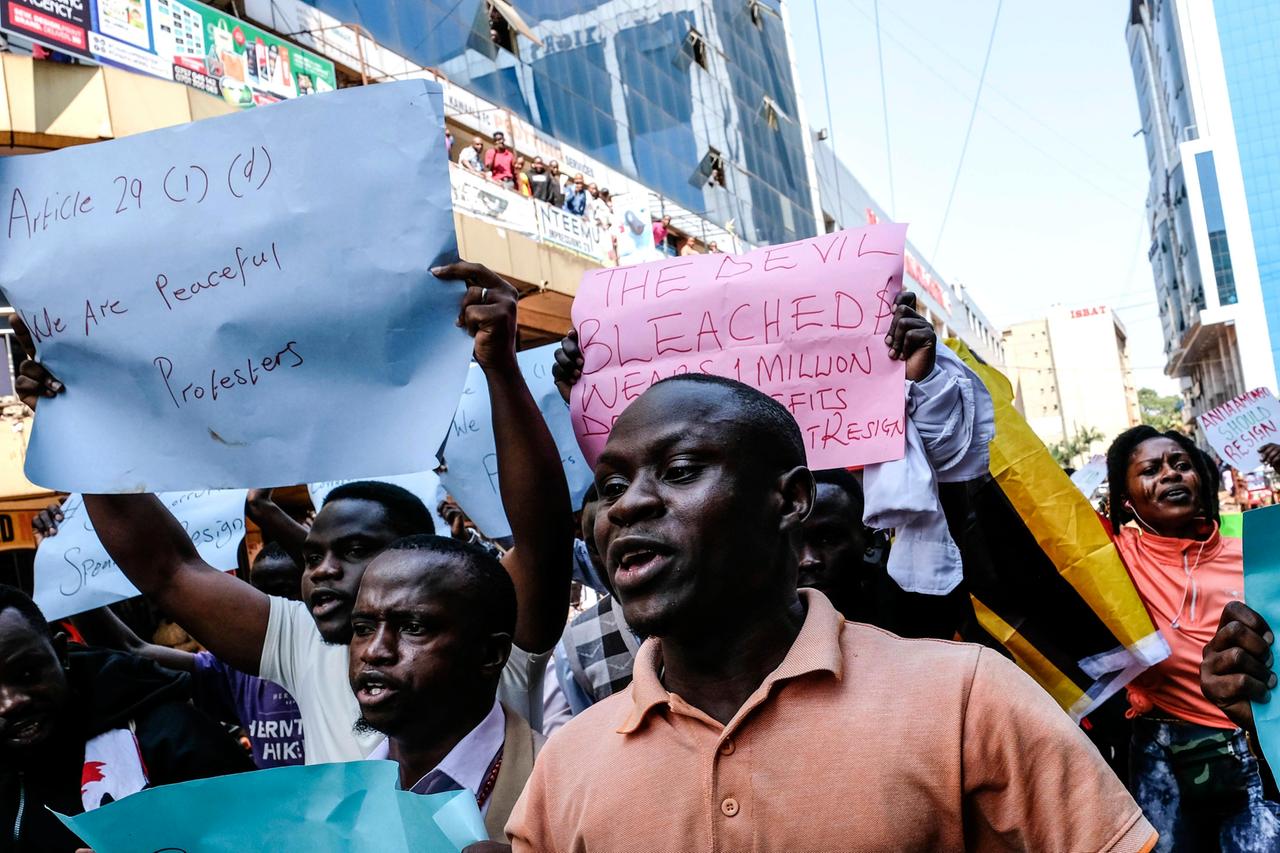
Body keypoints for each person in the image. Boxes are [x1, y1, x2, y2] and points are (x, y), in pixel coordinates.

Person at [499, 373, 1156, 852]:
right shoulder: (565, 769)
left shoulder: (967, 700)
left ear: (790, 501)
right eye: (611, 485)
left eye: (679, 470)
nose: (627, 505)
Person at [14, 261, 573, 765]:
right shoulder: (305, 644)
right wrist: (78, 430)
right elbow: (167, 568)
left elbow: (543, 538)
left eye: (356, 551)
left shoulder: (491, 638)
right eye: (312, 556)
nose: (322, 571)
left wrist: (500, 367)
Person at [1104, 425, 1280, 848]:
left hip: (1253, 754)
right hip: (1161, 756)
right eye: (1151, 469)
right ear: (1126, 502)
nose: (1170, 475)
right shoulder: (1109, 559)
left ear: (1201, 479)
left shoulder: (1253, 554)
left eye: (1182, 465)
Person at [0, 586, 252, 852]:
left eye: (27, 675)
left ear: (61, 654)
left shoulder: (171, 736)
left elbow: (268, 835)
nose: (10, 703)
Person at [57, 530, 310, 770]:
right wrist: (68, 571)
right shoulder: (241, 668)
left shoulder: (341, 660)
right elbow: (129, 649)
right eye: (263, 594)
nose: (274, 606)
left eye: (286, 591)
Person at [351, 535, 540, 840]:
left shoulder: (564, 785)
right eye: (363, 629)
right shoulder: (339, 795)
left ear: (490, 654)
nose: (373, 651)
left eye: (413, 628)